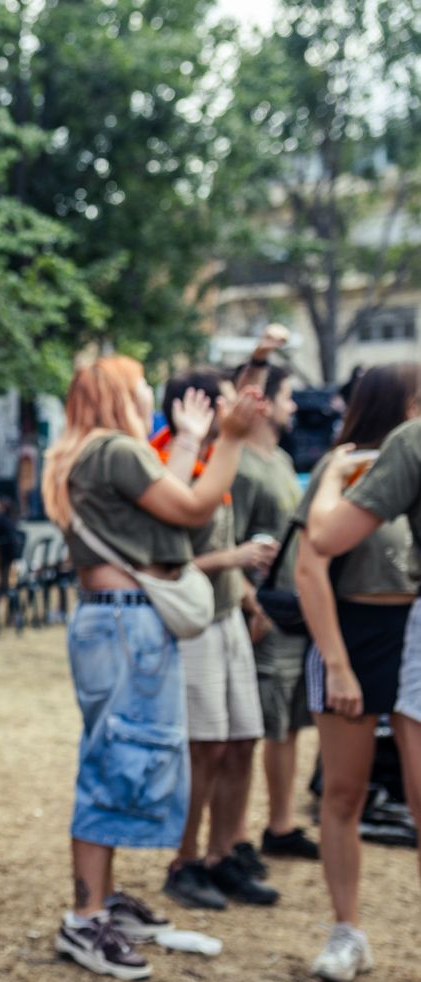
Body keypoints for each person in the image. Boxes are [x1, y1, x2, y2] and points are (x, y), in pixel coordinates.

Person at [41, 355, 263, 980]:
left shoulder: (92, 452)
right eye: (141, 388)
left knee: (118, 752)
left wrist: (192, 439)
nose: (149, 398)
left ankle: (100, 902)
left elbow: (161, 518)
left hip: (113, 618)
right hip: (125, 621)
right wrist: (233, 437)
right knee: (113, 758)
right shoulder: (115, 450)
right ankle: (85, 918)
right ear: (118, 396)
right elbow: (192, 509)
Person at [296, 363, 421, 982]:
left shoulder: (410, 461)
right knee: (343, 792)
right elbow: (308, 566)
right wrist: (340, 665)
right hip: (349, 635)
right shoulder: (341, 467)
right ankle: (347, 931)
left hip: (411, 635)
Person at [154, 370, 280, 911]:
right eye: (225, 398)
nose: (235, 407)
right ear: (199, 405)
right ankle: (183, 862)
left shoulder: (218, 459)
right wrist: (234, 559)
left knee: (244, 738)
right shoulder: (168, 465)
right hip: (196, 624)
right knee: (205, 746)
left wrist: (250, 600)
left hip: (228, 615)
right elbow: (162, 564)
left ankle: (221, 854)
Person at [228, 360, 320, 862]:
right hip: (262, 614)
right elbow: (229, 541)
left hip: (289, 611)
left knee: (286, 722)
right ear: (263, 402)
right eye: (286, 396)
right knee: (256, 727)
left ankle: (280, 824)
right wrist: (251, 602)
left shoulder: (280, 461)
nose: (293, 406)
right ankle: (237, 836)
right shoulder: (240, 465)